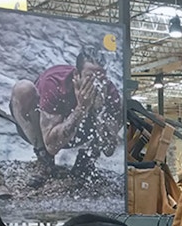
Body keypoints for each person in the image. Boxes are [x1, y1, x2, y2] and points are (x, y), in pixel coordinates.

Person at [10, 47, 122, 184]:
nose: (95, 84)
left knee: (119, 109)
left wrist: (99, 110)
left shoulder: (110, 92)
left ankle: (85, 163)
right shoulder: (55, 83)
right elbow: (52, 147)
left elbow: (109, 150)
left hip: (79, 134)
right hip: (41, 131)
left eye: (101, 78)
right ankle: (44, 161)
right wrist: (81, 108)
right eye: (89, 78)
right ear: (77, 75)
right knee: (23, 89)